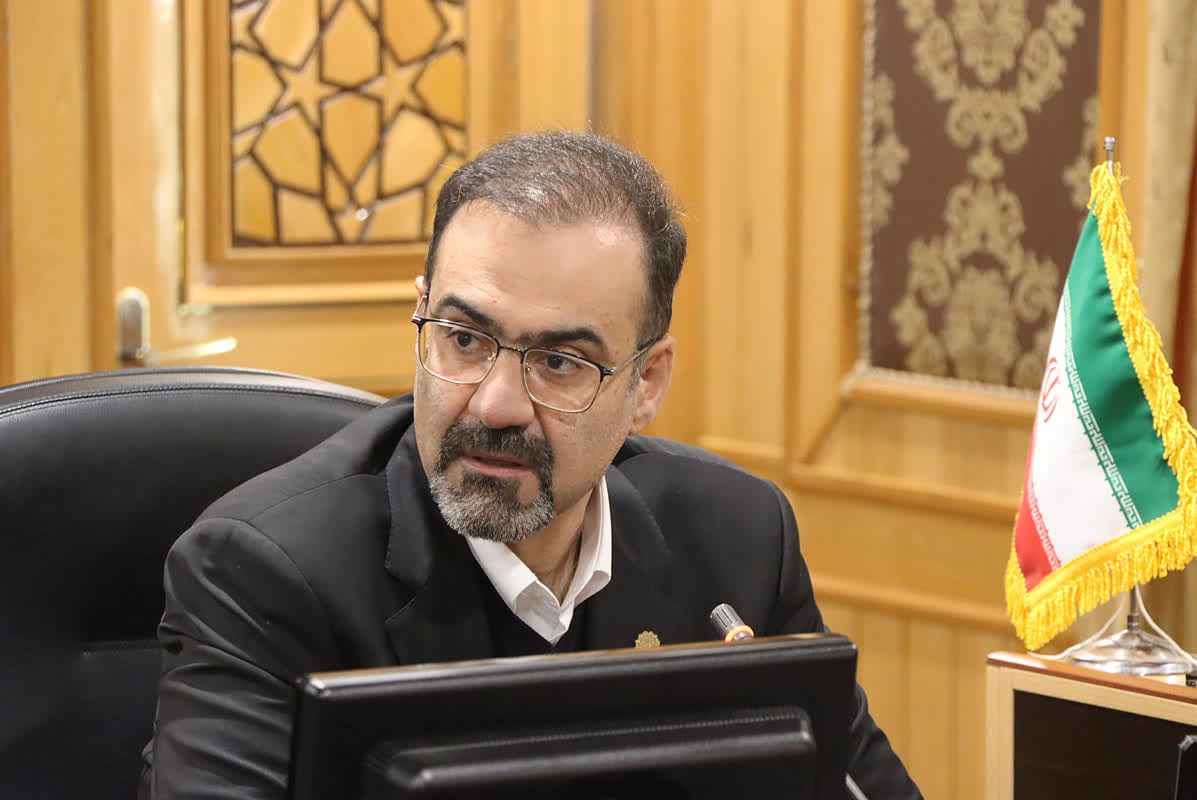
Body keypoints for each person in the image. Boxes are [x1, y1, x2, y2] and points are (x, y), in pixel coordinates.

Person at [141, 131, 921, 798]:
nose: (494, 405)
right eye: (463, 339)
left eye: (558, 362)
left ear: (647, 384)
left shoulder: (736, 538)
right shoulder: (268, 573)